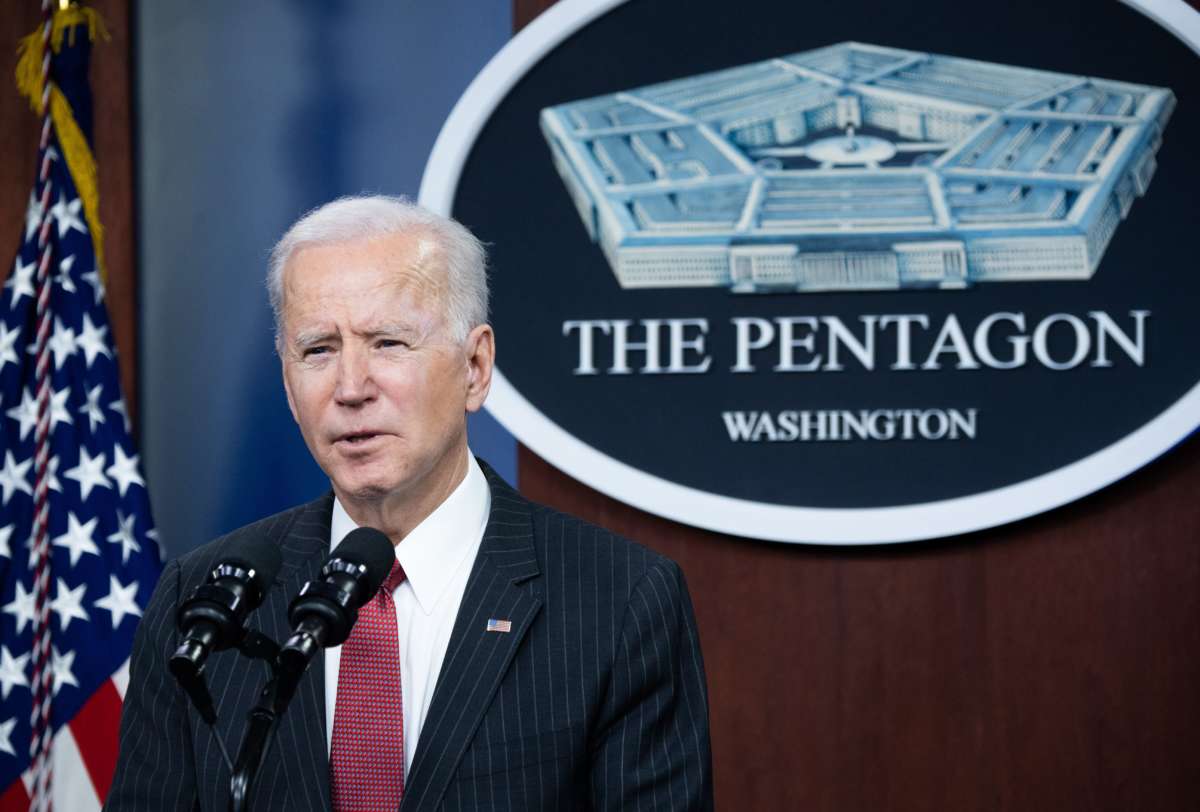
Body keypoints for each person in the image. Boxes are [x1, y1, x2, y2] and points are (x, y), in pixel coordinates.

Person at [106, 195, 713, 810]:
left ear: (475, 368)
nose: (350, 387)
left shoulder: (620, 598)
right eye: (318, 349)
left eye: (388, 343)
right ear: (288, 385)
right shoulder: (202, 599)